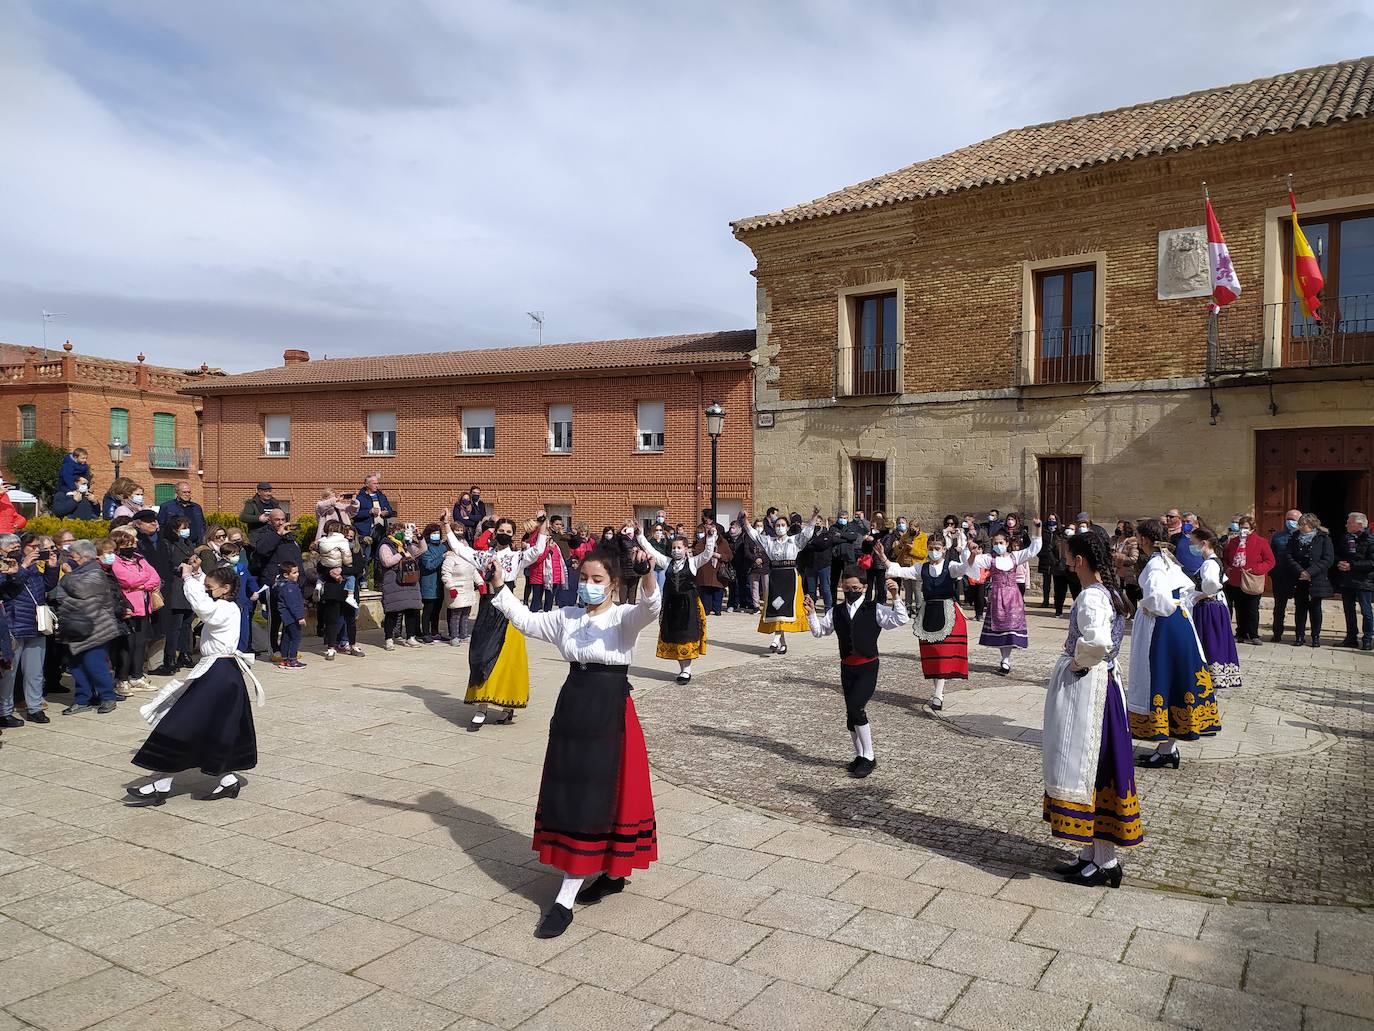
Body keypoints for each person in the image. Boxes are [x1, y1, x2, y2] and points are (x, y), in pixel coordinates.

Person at [481, 541, 659, 938]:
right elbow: (526, 620)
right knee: (574, 790)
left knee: (600, 793)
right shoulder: (568, 617)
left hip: (609, 709)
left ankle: (565, 898)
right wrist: (498, 587)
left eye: (598, 579)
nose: (589, 585)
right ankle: (612, 873)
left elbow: (651, 608)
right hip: (573, 705)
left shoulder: (624, 619)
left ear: (613, 585)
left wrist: (647, 572)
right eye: (584, 578)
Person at [1041, 530, 1142, 888]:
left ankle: (1106, 861)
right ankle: (1093, 854)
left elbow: (1097, 641)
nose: (1067, 561)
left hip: (1091, 689)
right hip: (1104, 686)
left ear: (1078, 560)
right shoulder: (1107, 592)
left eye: (1069, 556)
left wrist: (1077, 664)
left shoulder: (1090, 598)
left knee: (1090, 767)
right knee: (1093, 768)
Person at [126, 564, 264, 806]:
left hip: (220, 674)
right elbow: (206, 601)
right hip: (219, 672)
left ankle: (162, 783)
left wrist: (189, 579)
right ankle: (227, 779)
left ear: (226, 589)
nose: (207, 591)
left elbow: (204, 609)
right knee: (209, 728)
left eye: (211, 588)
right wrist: (198, 574)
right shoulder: (224, 605)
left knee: (184, 723)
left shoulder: (226, 608)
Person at [1128, 519, 1220, 769]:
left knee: (1161, 678)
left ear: (1145, 540)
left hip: (1163, 627)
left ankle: (1167, 747)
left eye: (1138, 538)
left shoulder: (1156, 564)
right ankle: (1168, 747)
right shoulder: (1169, 561)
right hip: (1178, 622)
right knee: (1173, 681)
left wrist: (1147, 606)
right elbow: (1188, 590)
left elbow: (1159, 599)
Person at [443, 510, 548, 730]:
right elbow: (460, 549)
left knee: (506, 660)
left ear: (513, 535)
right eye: (501, 531)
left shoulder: (518, 557)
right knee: (480, 655)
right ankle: (481, 706)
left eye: (508, 532)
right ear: (494, 533)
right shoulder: (483, 556)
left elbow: (538, 550)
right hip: (487, 608)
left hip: (508, 609)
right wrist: (445, 524)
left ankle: (507, 706)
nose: (504, 534)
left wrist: (543, 525)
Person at [806, 565, 906, 777]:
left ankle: (869, 756)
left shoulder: (875, 608)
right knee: (850, 713)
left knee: (857, 707)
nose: (851, 591)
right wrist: (812, 614)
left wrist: (896, 596)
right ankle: (859, 755)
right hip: (847, 666)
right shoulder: (836, 611)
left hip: (868, 665)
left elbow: (900, 620)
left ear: (864, 587)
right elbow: (819, 632)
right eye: (847, 587)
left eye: (855, 588)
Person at [883, 534, 969, 711]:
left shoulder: (950, 566)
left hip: (948, 612)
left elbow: (962, 569)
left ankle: (938, 693)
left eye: (937, 548)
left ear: (944, 550)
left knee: (942, 653)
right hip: (928, 612)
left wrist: (972, 557)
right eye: (931, 548)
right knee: (932, 653)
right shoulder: (921, 568)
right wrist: (884, 558)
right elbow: (899, 571)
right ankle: (937, 691)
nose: (933, 551)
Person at [49, 539, 126, 715]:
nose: (69, 559)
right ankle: (82, 699)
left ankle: (108, 697)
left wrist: (68, 577)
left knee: (94, 664)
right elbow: (60, 596)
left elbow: (81, 591)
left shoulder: (95, 572)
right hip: (74, 627)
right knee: (76, 666)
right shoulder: (77, 572)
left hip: (96, 628)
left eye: (73, 556)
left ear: (84, 557)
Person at [962, 520, 1043, 675]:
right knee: (1000, 629)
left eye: (1001, 542)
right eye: (995, 542)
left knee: (1011, 629)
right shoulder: (989, 559)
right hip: (997, 596)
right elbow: (970, 564)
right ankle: (1004, 659)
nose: (998, 545)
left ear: (1007, 543)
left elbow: (1033, 550)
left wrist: (1037, 530)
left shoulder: (1015, 557)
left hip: (1013, 597)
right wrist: (970, 548)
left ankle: (1007, 659)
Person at [640, 521, 717, 683]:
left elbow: (707, 553)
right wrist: (640, 536)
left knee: (687, 636)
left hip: (689, 605)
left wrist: (710, 537)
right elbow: (651, 550)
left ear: (686, 549)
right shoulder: (667, 562)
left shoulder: (693, 562)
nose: (676, 550)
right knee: (675, 636)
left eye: (679, 548)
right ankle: (682, 668)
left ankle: (686, 670)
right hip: (672, 606)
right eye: (674, 548)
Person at [0, 534, 60, 726]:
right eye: (30, 547)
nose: (35, 550)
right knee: (9, 673)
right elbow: (8, 589)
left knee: (35, 670)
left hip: (36, 624)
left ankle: (35, 708)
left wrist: (51, 567)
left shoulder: (32, 565)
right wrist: (23, 567)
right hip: (14, 624)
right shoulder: (5, 566)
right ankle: (4, 711)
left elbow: (46, 585)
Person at [744, 508, 817, 654]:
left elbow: (808, 532)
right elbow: (754, 535)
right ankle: (782, 643)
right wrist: (745, 520)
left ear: (788, 527)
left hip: (790, 577)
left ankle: (776, 639)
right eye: (777, 525)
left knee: (784, 608)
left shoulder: (795, 540)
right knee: (776, 607)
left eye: (783, 525)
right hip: (775, 577)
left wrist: (814, 516)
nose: (780, 528)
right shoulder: (769, 541)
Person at [108, 529, 160, 692]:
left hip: (144, 606)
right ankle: (122, 678)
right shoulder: (115, 561)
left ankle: (137, 675)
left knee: (140, 643)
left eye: (132, 543)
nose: (132, 547)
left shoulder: (139, 559)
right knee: (126, 645)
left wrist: (142, 585)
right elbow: (127, 580)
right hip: (128, 607)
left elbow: (155, 577)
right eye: (127, 544)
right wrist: (142, 581)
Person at [1190, 528, 1241, 690]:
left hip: (1208, 609)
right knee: (1211, 642)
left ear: (1203, 543)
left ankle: (1209, 681)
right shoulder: (1214, 561)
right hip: (1213, 607)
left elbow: (1212, 583)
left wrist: (1201, 595)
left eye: (1193, 542)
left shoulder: (1209, 563)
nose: (1192, 546)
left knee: (1209, 643)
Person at [1221, 514, 1274, 646]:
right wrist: (1227, 568)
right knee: (1239, 608)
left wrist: (1255, 569)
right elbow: (1226, 559)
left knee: (1251, 608)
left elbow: (1270, 561)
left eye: (1245, 528)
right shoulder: (1233, 542)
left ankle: (1253, 634)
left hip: (1252, 580)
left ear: (1252, 529)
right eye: (1241, 527)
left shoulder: (1261, 542)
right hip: (1235, 580)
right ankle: (1241, 633)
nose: (1242, 530)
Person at [156, 517, 199, 674]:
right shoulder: (168, 543)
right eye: (183, 527)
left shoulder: (187, 544)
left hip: (187, 586)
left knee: (187, 624)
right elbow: (166, 564)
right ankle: (171, 656)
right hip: (175, 587)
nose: (186, 530)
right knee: (175, 626)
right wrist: (181, 567)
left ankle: (184, 653)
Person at [1284, 513, 1333, 648]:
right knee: (1300, 608)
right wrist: (1301, 571)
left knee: (1315, 608)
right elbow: (1288, 555)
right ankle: (1299, 636)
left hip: (1316, 578)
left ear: (1311, 525)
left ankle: (1315, 637)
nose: (1300, 527)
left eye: (1303, 524)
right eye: (1299, 524)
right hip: (1299, 577)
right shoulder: (1294, 537)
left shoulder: (1323, 538)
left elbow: (1327, 559)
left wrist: (1310, 572)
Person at [377, 521, 424, 650]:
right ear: (391, 533)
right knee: (392, 612)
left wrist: (418, 536)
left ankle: (411, 637)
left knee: (412, 610)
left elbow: (422, 549)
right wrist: (401, 555)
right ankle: (389, 638)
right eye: (398, 531)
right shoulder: (385, 546)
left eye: (402, 531)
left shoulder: (406, 545)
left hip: (409, 581)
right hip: (394, 582)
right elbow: (387, 562)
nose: (401, 534)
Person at [1336, 512, 1373, 651]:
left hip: (1364, 580)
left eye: (1349, 522)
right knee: (1349, 610)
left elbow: (1372, 562)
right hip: (1347, 580)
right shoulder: (1346, 537)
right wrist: (1340, 563)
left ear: (1359, 525)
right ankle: (1351, 638)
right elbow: (1339, 553)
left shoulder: (1370, 540)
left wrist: (1352, 566)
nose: (1346, 525)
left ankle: (1367, 639)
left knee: (1366, 611)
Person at [441, 526, 481, 646]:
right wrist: (451, 587)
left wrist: (480, 583)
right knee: (456, 615)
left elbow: (474, 571)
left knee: (465, 614)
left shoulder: (468, 559)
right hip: (456, 590)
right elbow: (445, 573)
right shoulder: (450, 558)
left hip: (468, 589)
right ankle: (454, 636)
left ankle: (464, 635)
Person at [1269, 508, 1303, 642]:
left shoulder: (1303, 536)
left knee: (1300, 606)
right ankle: (1277, 633)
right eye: (1288, 519)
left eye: (1293, 520)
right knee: (1279, 607)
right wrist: (1272, 572)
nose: (1290, 522)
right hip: (1280, 576)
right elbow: (1271, 555)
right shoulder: (1278, 536)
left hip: (1297, 576)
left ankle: (1299, 635)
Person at [354, 474, 396, 583]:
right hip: (366, 532)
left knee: (379, 558)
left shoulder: (381, 496)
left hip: (381, 532)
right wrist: (369, 512)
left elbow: (391, 511)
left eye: (377, 483)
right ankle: (363, 582)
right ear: (367, 484)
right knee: (366, 557)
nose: (377, 485)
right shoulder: (360, 497)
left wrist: (387, 513)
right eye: (374, 483)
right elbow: (354, 514)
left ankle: (378, 582)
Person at [693, 521, 732, 618]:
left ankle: (717, 609)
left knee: (718, 591)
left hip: (718, 571)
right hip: (705, 571)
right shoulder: (703, 540)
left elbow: (729, 555)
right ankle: (706, 609)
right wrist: (707, 554)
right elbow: (697, 551)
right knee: (706, 592)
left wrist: (719, 556)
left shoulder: (723, 542)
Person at [417, 523, 448, 640]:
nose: (436, 535)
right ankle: (425, 633)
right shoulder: (425, 548)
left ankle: (435, 632)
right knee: (428, 610)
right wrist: (442, 557)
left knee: (437, 610)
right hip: (429, 583)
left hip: (440, 583)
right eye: (433, 533)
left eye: (437, 532)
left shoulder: (443, 547)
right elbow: (429, 565)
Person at [274, 561, 307, 669]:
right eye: (294, 573)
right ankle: (292, 660)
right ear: (286, 575)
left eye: (297, 572)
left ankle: (285, 660)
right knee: (295, 638)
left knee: (286, 638)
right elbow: (293, 604)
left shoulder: (283, 585)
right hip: (292, 618)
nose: (297, 574)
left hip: (286, 618)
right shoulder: (290, 587)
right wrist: (300, 617)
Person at [891, 518, 927, 611]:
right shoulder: (905, 536)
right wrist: (897, 546)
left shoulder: (923, 537)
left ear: (918, 528)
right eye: (910, 528)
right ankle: (908, 607)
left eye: (913, 528)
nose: (911, 530)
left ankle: (919, 608)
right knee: (908, 589)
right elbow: (899, 553)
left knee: (917, 589)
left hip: (916, 566)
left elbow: (923, 554)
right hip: (905, 565)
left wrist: (912, 548)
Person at [1112, 520, 1141, 608]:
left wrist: (1119, 558)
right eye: (1117, 527)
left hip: (1128, 574)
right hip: (1115, 573)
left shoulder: (1132, 542)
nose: (1118, 530)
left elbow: (1133, 558)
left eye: (1120, 528)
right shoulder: (1113, 540)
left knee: (1130, 595)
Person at [963, 538, 990, 621]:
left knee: (980, 598)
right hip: (973, 581)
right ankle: (976, 614)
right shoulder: (971, 558)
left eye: (980, 549)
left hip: (981, 581)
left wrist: (984, 576)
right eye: (977, 549)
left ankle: (980, 614)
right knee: (975, 598)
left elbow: (989, 570)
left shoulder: (985, 558)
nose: (978, 551)